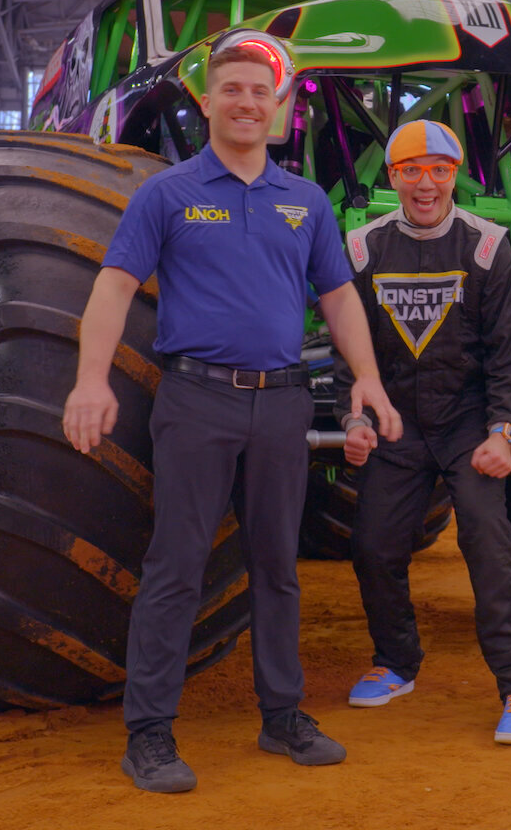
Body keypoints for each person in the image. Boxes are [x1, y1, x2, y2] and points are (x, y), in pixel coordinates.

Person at [62, 40, 403, 794]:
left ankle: (282, 717)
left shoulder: (305, 201)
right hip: (195, 402)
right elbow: (115, 286)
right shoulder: (167, 193)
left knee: (278, 570)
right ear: (208, 103)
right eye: (234, 90)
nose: (248, 102)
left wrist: (369, 380)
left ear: (279, 108)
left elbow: (340, 299)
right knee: (176, 569)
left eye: (262, 91)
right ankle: (149, 733)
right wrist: (91, 379)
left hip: (282, 403)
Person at [335, 119, 511, 745]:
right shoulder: (363, 246)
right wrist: (356, 419)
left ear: (455, 174)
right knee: (373, 545)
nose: (424, 183)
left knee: (489, 545)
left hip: (467, 425)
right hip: (396, 423)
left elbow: (510, 356)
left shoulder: (486, 245)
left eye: (438, 170)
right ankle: (397, 663)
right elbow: (351, 355)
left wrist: (502, 432)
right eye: (410, 170)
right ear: (393, 177)